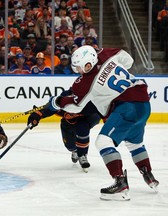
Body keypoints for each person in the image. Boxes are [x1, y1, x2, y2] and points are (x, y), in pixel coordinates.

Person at [47, 45, 159, 200]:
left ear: (87, 64)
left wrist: (58, 101)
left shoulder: (85, 83)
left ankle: (120, 182)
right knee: (134, 143)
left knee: (103, 141)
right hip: (143, 103)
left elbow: (75, 106)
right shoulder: (106, 53)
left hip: (127, 106)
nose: (78, 71)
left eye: (79, 67)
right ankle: (148, 175)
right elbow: (128, 60)